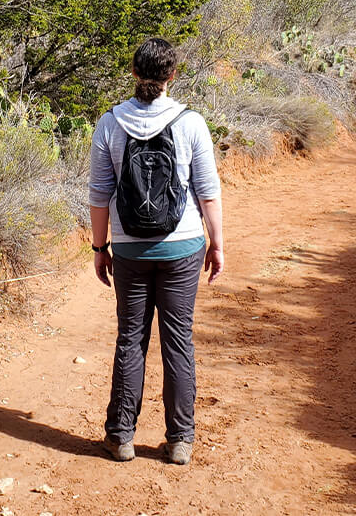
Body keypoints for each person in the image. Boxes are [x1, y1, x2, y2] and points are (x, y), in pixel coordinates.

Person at [88, 37, 224, 465]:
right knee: (178, 340)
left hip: (130, 249)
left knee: (131, 339)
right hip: (182, 247)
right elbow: (208, 192)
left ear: (133, 73)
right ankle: (180, 439)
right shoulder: (191, 123)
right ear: (172, 75)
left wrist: (99, 247)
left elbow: (98, 194)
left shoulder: (109, 124)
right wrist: (216, 243)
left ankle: (121, 436)